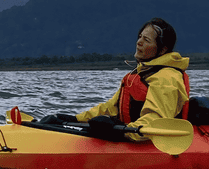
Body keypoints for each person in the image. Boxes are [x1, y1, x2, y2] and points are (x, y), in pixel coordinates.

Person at [43, 18, 190, 141]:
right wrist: (75, 119)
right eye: (140, 37)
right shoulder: (139, 74)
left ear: (163, 50)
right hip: (130, 133)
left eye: (146, 40)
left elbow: (156, 120)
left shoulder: (167, 78)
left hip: (145, 139)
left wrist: (122, 132)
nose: (139, 42)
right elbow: (111, 108)